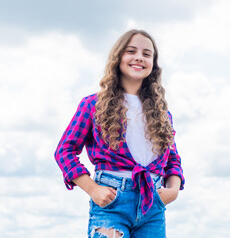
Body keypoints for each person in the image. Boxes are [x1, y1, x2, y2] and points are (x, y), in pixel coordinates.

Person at [54, 29, 185, 238]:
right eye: (131, 51)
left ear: (153, 64)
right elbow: (65, 150)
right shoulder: (93, 105)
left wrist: (173, 191)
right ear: (118, 58)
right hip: (112, 202)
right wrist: (93, 189)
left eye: (146, 54)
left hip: (153, 207)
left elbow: (173, 159)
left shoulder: (162, 114)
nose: (139, 57)